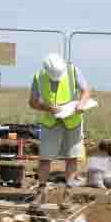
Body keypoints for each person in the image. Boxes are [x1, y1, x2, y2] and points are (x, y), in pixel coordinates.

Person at [28, 53, 93, 205]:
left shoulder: (73, 71)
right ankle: (41, 192)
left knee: (72, 156)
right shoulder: (39, 77)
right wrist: (47, 108)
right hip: (51, 121)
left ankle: (68, 193)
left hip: (73, 119)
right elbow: (32, 102)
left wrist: (81, 104)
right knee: (45, 157)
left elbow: (86, 91)